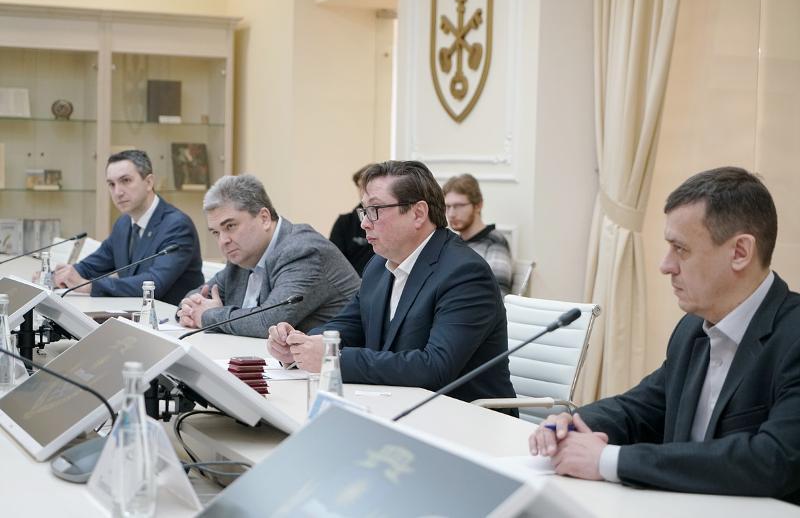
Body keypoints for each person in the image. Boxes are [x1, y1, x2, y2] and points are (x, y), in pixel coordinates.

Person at [529, 167, 800, 503]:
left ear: (740, 252)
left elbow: (773, 460)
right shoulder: (692, 329)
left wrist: (608, 460)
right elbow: (641, 408)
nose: (665, 265)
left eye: (680, 249)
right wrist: (571, 424)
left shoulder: (793, 336)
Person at [268, 161, 517, 407]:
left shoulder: (465, 273)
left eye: (375, 210)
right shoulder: (379, 265)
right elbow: (347, 327)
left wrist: (333, 358)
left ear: (418, 213)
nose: (364, 223)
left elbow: (434, 368)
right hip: (397, 406)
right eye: (364, 211)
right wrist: (299, 345)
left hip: (464, 417)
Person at [178, 174, 360, 338]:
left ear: (264, 218)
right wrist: (189, 309)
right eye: (216, 232)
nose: (223, 241)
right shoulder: (241, 257)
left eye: (230, 226)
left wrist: (208, 316)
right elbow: (196, 296)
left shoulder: (303, 251)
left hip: (332, 361)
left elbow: (269, 322)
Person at [53, 149, 203, 306]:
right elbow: (92, 266)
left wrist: (89, 286)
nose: (117, 192)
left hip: (170, 317)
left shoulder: (177, 225)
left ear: (149, 182)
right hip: (132, 312)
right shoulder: (123, 223)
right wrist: (57, 277)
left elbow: (154, 284)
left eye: (125, 181)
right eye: (111, 184)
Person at [442, 174, 512, 296]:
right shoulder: (452, 243)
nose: (451, 214)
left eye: (459, 206)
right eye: (447, 207)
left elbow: (498, 295)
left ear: (478, 205)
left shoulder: (495, 243)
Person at [329, 164, 375, 276]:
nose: (363, 191)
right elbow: (333, 261)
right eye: (360, 186)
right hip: (352, 282)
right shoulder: (344, 222)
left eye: (367, 185)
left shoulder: (390, 219)